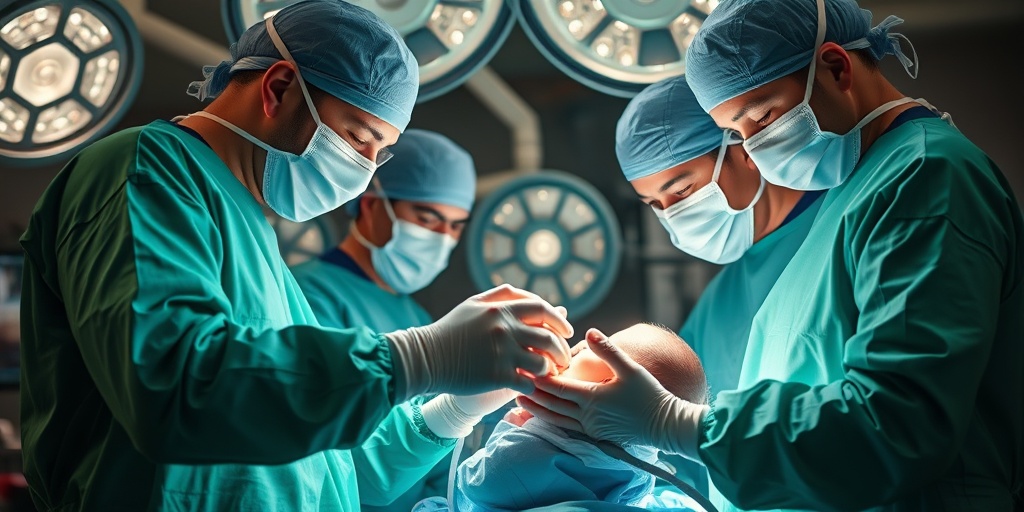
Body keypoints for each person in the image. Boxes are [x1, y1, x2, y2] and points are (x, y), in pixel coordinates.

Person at [18, 1, 573, 510]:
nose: (363, 172)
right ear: (279, 87)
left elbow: (349, 471)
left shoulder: (258, 245)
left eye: (381, 155)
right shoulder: (145, 171)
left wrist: (457, 406)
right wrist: (417, 359)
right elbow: (175, 388)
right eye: (359, 138)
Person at [522, 0, 1024, 510]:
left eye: (761, 118)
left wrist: (673, 423)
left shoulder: (925, 177)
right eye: (739, 134)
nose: (756, 151)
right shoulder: (855, 195)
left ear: (836, 67)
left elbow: (900, 423)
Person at [614, 75, 824, 495]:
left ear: (742, 146)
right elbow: (683, 467)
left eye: (682, 190)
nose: (672, 215)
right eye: (656, 205)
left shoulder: (841, 229)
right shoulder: (715, 307)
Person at [290, 128, 477, 510]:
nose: (443, 238)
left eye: (456, 226)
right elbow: (323, 454)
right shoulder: (308, 296)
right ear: (371, 204)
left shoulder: (420, 318)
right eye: (427, 217)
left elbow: (440, 468)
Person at [417, 324, 708, 512]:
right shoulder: (639, 463)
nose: (579, 345)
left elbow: (475, 488)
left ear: (608, 386)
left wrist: (510, 428)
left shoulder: (522, 458)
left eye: (600, 346)